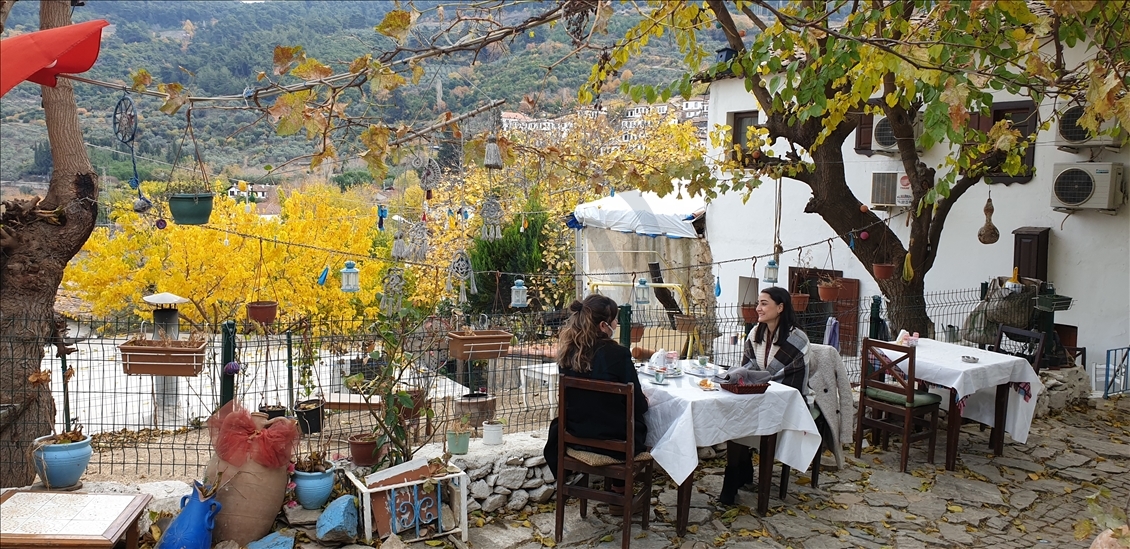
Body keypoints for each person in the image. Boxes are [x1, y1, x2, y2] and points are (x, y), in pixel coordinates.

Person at [719, 286, 811, 505]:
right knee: (736, 413)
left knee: (742, 414)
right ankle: (736, 474)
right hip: (760, 394)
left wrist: (751, 379)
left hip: (790, 401)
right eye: (758, 303)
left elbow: (783, 380)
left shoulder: (799, 339)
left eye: (764, 303)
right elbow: (747, 368)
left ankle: (736, 476)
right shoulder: (755, 333)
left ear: (780, 307)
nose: (758, 308)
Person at [542, 295, 649, 480]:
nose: (616, 324)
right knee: (638, 418)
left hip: (576, 434)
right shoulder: (618, 354)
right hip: (616, 440)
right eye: (615, 320)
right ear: (602, 326)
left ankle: (614, 485)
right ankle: (620, 486)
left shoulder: (567, 353)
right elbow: (638, 405)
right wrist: (644, 401)